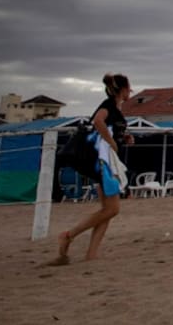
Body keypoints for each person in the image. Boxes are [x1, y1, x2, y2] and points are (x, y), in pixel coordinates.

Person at [53, 73, 133, 264]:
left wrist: (124, 139)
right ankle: (68, 235)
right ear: (122, 90)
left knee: (106, 210)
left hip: (105, 162)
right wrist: (112, 141)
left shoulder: (116, 109)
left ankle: (91, 255)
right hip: (102, 163)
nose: (130, 91)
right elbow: (98, 121)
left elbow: (110, 129)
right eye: (129, 88)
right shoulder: (108, 106)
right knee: (112, 209)